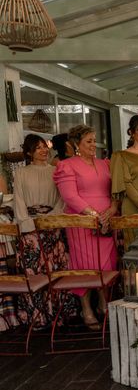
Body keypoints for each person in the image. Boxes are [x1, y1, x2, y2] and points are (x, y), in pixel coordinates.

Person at [53, 125, 118, 330]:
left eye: (94, 140)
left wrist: (112, 210)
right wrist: (93, 215)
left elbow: (115, 191)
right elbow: (70, 196)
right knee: (85, 265)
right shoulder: (67, 165)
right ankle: (86, 309)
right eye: (88, 141)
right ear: (76, 144)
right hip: (81, 222)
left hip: (107, 220)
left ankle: (103, 303)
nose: (93, 145)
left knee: (106, 263)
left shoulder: (105, 164)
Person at [14, 134, 67, 327]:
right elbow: (18, 200)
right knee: (34, 271)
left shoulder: (56, 170)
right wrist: (27, 224)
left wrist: (51, 218)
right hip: (30, 229)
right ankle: (37, 315)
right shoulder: (20, 173)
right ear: (29, 152)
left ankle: (58, 314)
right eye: (38, 148)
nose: (44, 150)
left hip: (51, 224)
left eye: (44, 146)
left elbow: (63, 198)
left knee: (53, 270)